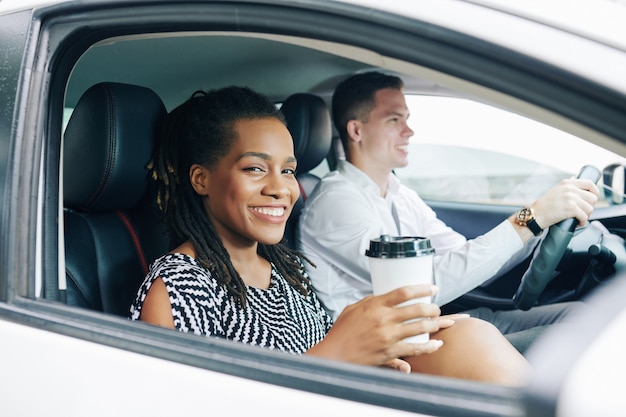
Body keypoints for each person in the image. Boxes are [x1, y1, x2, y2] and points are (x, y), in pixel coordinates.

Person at [129, 85, 528, 385]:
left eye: (287, 170)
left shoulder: (281, 272)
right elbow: (182, 401)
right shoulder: (178, 287)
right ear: (201, 179)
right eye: (255, 168)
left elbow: (324, 353)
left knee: (466, 335)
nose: (280, 188)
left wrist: (381, 350)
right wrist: (334, 354)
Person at [298, 71, 600, 353]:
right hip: (391, 349)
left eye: (407, 119)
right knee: (584, 336)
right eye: (394, 120)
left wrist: (542, 225)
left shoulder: (399, 193)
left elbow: (463, 256)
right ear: (356, 130)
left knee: (580, 315)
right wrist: (530, 218)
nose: (409, 131)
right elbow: (418, 289)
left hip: (426, 324)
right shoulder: (335, 203)